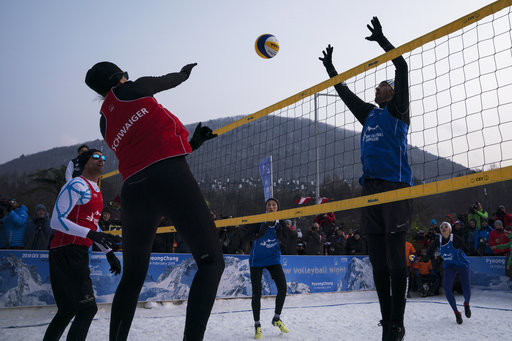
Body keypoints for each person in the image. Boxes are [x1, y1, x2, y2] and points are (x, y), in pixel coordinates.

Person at [85, 61, 224, 341]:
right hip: (168, 177)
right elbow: (170, 80)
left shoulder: (104, 121)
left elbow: (144, 148)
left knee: (133, 276)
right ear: (119, 76)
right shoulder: (133, 88)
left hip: (134, 190)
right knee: (211, 263)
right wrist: (184, 74)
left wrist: (192, 144)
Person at [320, 16, 412, 341]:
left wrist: (383, 40)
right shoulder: (370, 114)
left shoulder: (397, 111)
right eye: (378, 86)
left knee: (396, 260)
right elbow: (343, 93)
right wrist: (331, 69)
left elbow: (400, 66)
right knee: (378, 264)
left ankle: (398, 322)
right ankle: (387, 323)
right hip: (370, 192)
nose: (380, 86)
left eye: (383, 84)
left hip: (396, 190)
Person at [43, 149, 122, 341]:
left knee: (67, 310)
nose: (101, 160)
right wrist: (91, 234)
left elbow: (91, 224)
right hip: (67, 249)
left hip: (75, 250)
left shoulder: (96, 190)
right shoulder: (76, 185)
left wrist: (108, 252)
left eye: (103, 158)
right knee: (87, 309)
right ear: (84, 163)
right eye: (96, 157)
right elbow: (56, 220)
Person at [244, 198, 289, 339]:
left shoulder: (280, 223)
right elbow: (247, 237)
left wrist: (282, 233)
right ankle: (257, 326)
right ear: (266, 208)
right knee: (257, 293)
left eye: (274, 205)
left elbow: (289, 239)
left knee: (283, 287)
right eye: (269, 205)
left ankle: (276, 318)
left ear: (277, 208)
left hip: (273, 259)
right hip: (256, 261)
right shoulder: (259, 220)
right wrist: (260, 234)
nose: (271, 207)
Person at [427, 222, 471, 325]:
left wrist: (473, 250)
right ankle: (456, 313)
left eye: (446, 226)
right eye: (441, 227)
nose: (443, 228)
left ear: (450, 229)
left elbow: (467, 249)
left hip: (462, 265)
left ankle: (466, 304)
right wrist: (423, 258)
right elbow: (429, 252)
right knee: (447, 289)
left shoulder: (455, 239)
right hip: (450, 266)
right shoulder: (438, 241)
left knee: (466, 289)